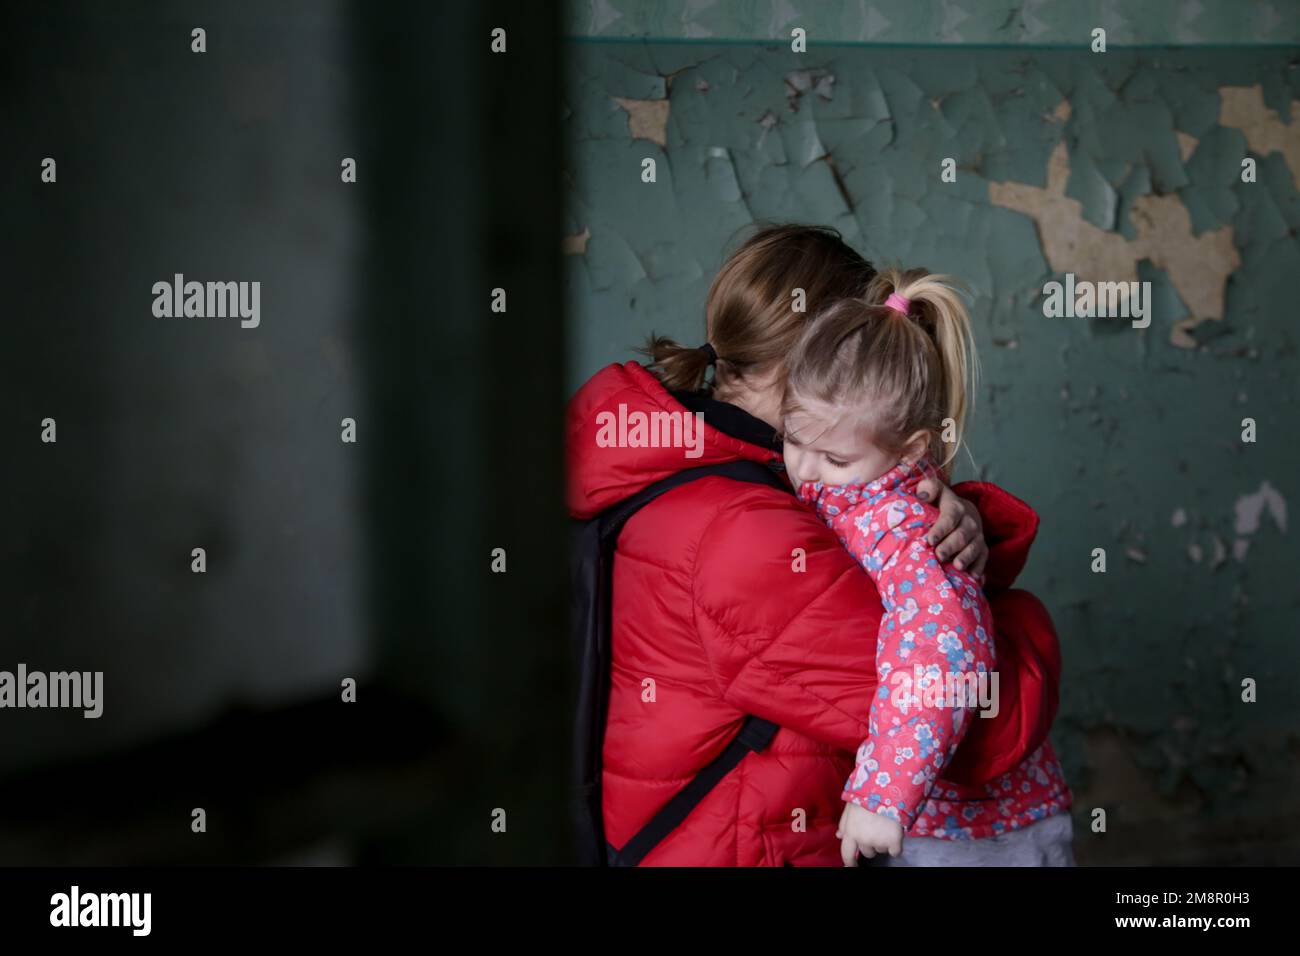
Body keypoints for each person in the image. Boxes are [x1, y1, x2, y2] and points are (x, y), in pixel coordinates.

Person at [566, 224, 1061, 865]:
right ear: (821, 355)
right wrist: (1027, 627)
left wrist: (950, 513)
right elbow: (987, 726)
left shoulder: (673, 459)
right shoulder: (749, 532)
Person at [782, 267, 1073, 867]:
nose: (807, 470)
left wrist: (884, 794)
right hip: (938, 815)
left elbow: (945, 648)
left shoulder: (905, 526)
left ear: (912, 450)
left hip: (975, 830)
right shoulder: (846, 488)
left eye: (833, 457)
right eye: (792, 440)